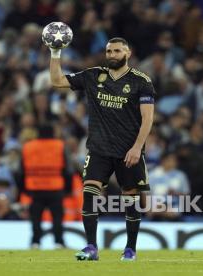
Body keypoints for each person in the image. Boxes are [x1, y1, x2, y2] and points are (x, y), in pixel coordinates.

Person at [49, 37, 155, 261]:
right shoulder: (93, 76)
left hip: (128, 151)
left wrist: (137, 148)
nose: (112, 55)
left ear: (128, 53)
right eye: (109, 51)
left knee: (131, 200)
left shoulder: (141, 81)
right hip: (99, 149)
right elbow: (57, 80)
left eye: (117, 51)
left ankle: (130, 249)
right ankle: (91, 247)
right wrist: (55, 52)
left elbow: (148, 119)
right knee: (90, 193)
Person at [22, 125, 69, 249]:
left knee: (36, 217)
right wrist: (67, 188)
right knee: (57, 217)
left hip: (35, 187)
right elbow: (67, 169)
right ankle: (58, 242)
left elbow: (20, 170)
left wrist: (24, 188)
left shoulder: (28, 146)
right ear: (52, 132)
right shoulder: (59, 145)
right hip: (55, 187)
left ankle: (35, 242)